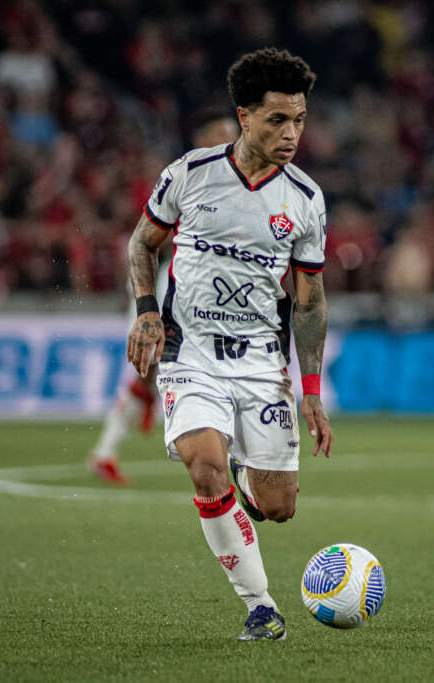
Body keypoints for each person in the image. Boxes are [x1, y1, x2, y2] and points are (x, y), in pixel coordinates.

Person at [126, 47, 333, 641]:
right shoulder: (189, 174)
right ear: (244, 117)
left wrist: (312, 391)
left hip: (263, 365)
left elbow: (310, 300)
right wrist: (145, 312)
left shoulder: (306, 199)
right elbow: (143, 245)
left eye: (299, 120)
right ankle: (261, 607)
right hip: (189, 356)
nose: (292, 133)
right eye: (277, 120)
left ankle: (250, 470)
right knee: (204, 469)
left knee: (278, 506)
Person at [88, 110, 240, 484]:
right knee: (151, 363)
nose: (232, 141)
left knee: (161, 370)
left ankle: (109, 448)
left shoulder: (235, 182)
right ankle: (114, 442)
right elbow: (148, 237)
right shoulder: (185, 177)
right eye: (224, 133)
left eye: (234, 134)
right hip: (167, 278)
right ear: (202, 138)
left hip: (206, 288)